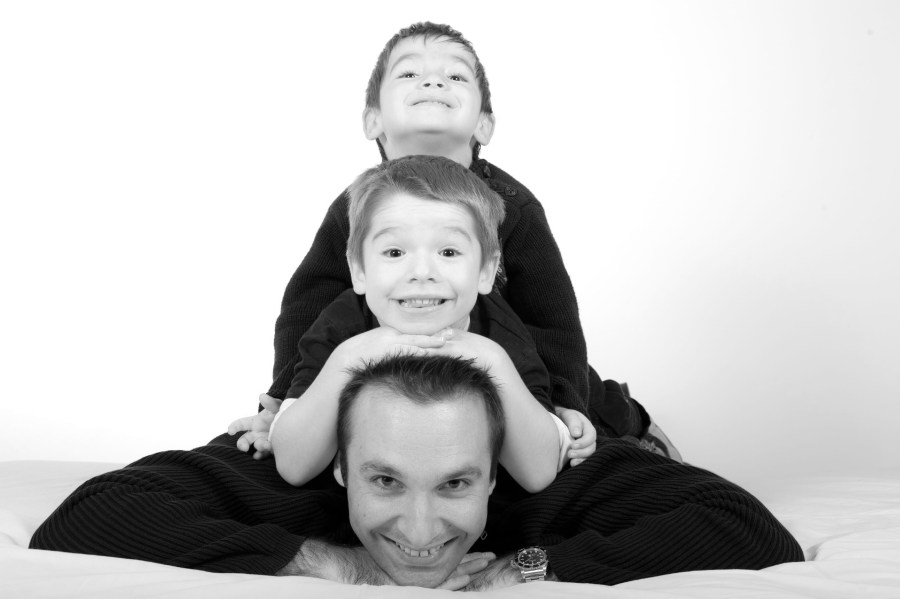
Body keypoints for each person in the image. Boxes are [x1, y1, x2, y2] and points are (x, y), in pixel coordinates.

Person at [228, 21, 676, 462]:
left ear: (484, 125)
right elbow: (309, 305)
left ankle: (631, 419)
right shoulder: (357, 209)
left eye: (456, 76)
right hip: (399, 352)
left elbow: (552, 317)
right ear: (372, 119)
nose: (432, 80)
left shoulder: (513, 208)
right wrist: (284, 400)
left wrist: (564, 402)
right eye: (409, 72)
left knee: (589, 409)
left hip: (516, 356)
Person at [31, 354, 804, 590]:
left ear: (494, 473)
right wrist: (332, 560)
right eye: (386, 481)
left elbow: (746, 525)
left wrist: (531, 565)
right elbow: (90, 513)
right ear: (340, 466)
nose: (423, 530)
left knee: (599, 413)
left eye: (457, 482)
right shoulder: (295, 470)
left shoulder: (543, 474)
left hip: (570, 406)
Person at [269, 155, 579, 493]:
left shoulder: (500, 337)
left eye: (448, 253)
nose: (421, 272)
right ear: (358, 269)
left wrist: (494, 363)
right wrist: (347, 361)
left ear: (485, 271)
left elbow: (538, 474)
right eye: (394, 253)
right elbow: (294, 466)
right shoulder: (341, 328)